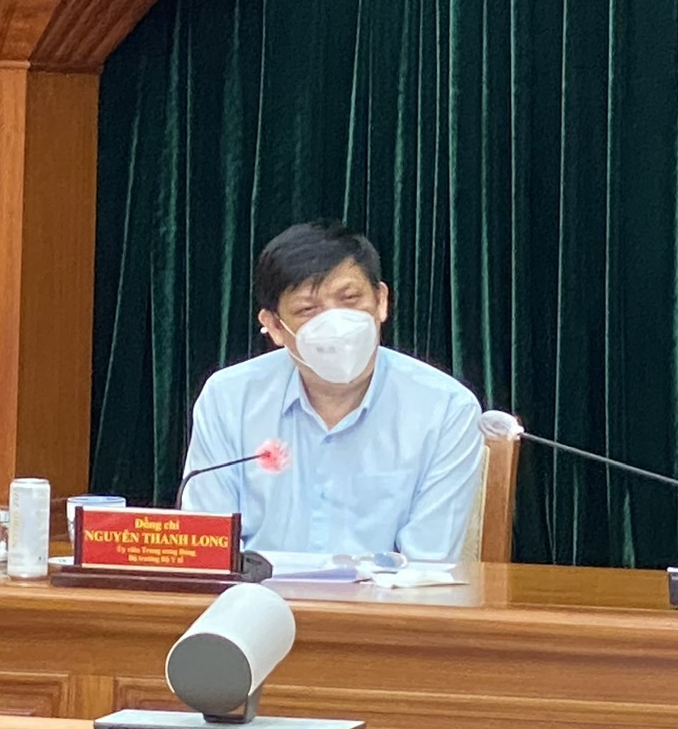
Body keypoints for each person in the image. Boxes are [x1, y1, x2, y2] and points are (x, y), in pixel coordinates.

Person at [180, 219, 483, 563]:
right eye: (308, 310)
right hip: (257, 592)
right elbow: (209, 549)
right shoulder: (228, 398)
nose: (335, 324)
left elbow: (427, 564)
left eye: (350, 299)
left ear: (381, 301)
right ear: (274, 326)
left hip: (384, 597)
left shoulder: (445, 409)